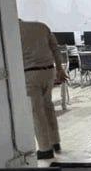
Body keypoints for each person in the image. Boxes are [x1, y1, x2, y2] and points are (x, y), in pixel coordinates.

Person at [19, 19, 68, 160]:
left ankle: (45, 149)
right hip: (49, 72)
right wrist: (60, 69)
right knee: (48, 106)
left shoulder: (14, 31)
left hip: (30, 73)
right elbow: (55, 48)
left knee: (37, 112)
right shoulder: (41, 26)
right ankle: (55, 141)